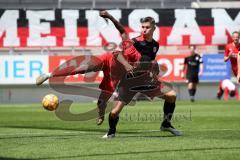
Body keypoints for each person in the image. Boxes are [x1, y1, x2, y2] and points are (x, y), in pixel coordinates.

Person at [36, 10, 142, 125]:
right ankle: (50, 74)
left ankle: (100, 114)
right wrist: (110, 17)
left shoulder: (138, 60)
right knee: (83, 69)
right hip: (107, 60)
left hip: (113, 76)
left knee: (102, 101)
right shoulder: (129, 47)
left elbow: (136, 72)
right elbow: (121, 34)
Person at [102, 16, 182, 138]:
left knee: (171, 96)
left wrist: (153, 70)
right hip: (129, 82)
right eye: (142, 27)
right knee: (114, 112)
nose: (144, 30)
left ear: (154, 28)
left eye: (147, 27)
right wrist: (127, 65)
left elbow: (149, 62)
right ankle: (111, 132)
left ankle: (166, 124)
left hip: (146, 80)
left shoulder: (155, 45)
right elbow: (116, 53)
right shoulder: (134, 42)